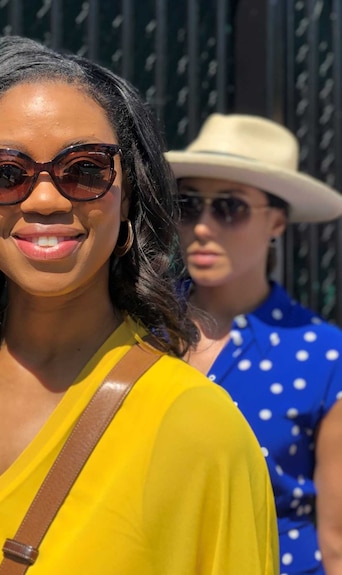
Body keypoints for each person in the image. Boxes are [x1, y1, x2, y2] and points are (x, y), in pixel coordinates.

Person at [0, 35, 278, 574]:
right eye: (3, 173)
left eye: (86, 170)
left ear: (130, 196)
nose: (45, 198)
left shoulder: (199, 429)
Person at [166, 113, 342, 575]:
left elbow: (337, 537)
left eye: (230, 207)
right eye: (188, 205)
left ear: (277, 223)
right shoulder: (135, 329)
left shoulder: (324, 355)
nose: (203, 227)